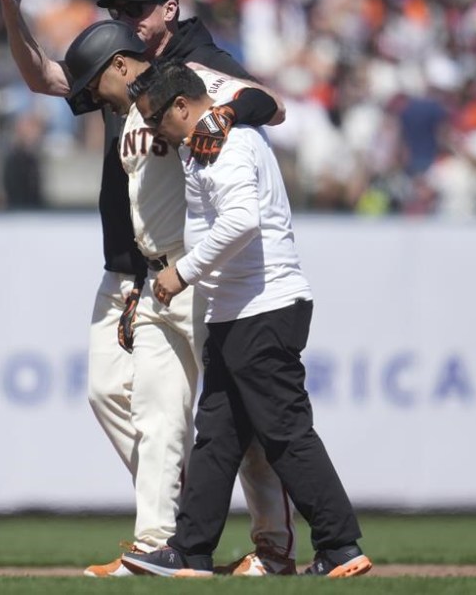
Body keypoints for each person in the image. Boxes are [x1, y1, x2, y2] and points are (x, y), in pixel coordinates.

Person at [0, 0, 297, 576]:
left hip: (195, 268)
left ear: (169, 8)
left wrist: (222, 117)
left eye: (139, 8)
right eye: (120, 9)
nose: (128, 19)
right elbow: (47, 76)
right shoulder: (116, 64)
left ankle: (269, 546)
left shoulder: (195, 58)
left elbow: (268, 103)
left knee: (238, 416)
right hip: (136, 267)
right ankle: (171, 537)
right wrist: (10, 12)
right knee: (136, 401)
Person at [121, 59, 372, 578]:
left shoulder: (228, 145)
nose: (152, 131)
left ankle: (341, 545)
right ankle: (189, 552)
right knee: (217, 436)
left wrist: (181, 273)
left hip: (264, 306)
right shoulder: (210, 143)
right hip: (239, 310)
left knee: (284, 433)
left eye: (156, 118)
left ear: (184, 106)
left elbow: (241, 221)